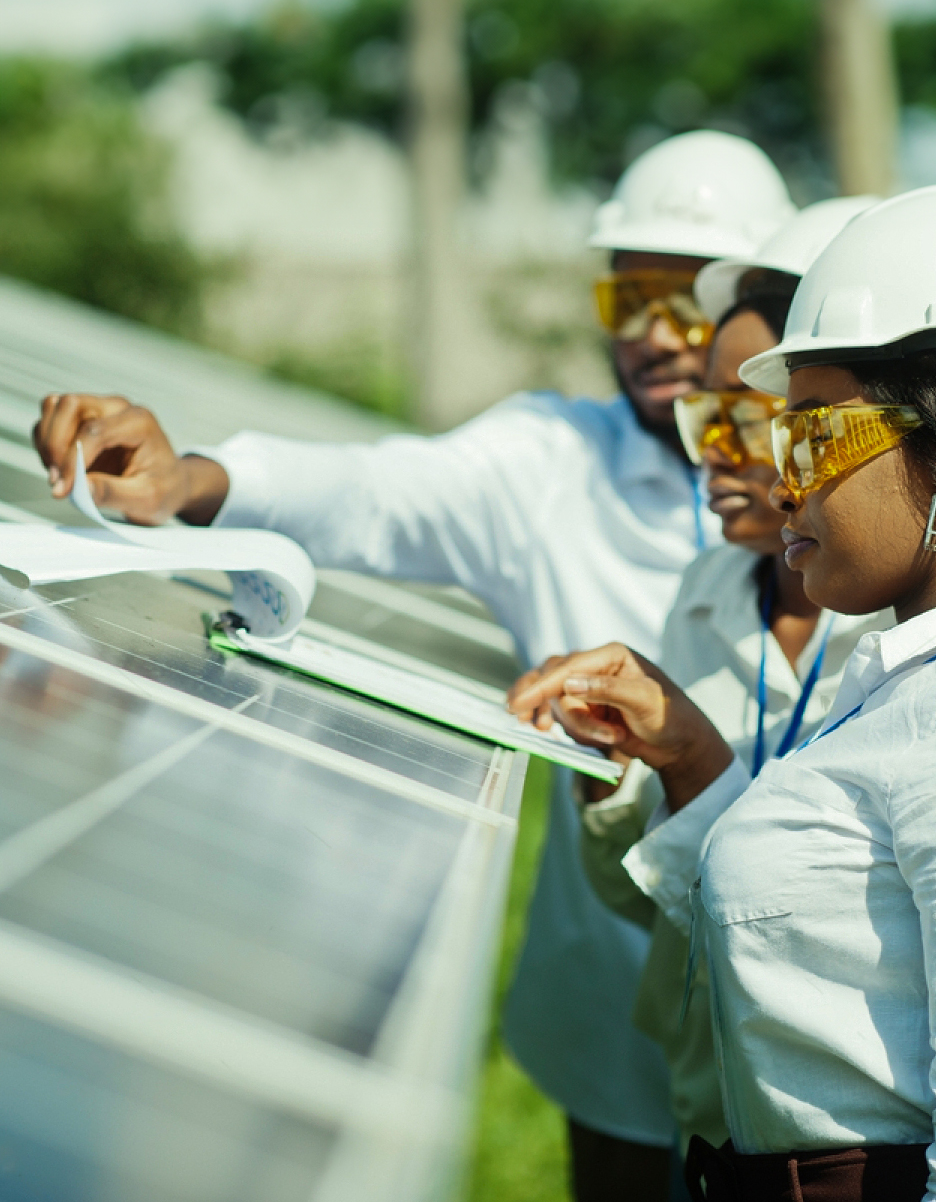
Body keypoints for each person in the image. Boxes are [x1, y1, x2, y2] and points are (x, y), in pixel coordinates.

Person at [29, 130, 796, 1201]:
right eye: (626, 299)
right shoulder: (551, 462)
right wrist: (191, 481)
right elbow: (377, 491)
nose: (652, 336)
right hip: (611, 997)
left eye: (686, 302)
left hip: (797, 1017)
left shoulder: (843, 512)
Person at [508, 184, 936, 1200]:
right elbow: (834, 918)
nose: (779, 478)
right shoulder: (924, 674)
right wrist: (686, 755)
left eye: (807, 433)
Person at [573, 198, 892, 1157]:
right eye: (701, 412)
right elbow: (651, 898)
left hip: (850, 1140)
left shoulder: (923, 619)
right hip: (713, 1119)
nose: (707, 448)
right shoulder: (711, 584)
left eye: (750, 418)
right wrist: (618, 781)